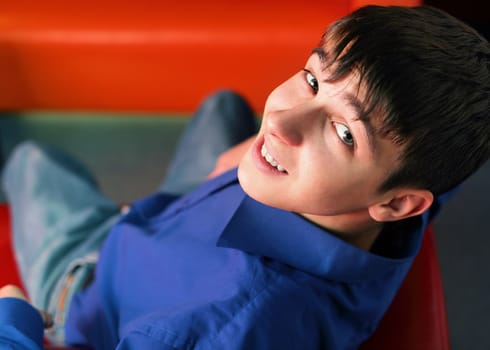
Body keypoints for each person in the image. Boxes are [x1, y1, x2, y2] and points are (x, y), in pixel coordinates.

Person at [1, 5, 489, 349]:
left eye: (342, 133)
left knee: (32, 161)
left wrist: (15, 322)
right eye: (314, 80)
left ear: (400, 204)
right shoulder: (399, 185)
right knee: (225, 104)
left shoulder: (227, 326)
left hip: (88, 290)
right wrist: (234, 168)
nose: (278, 121)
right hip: (174, 224)